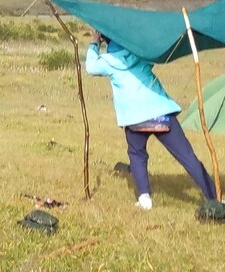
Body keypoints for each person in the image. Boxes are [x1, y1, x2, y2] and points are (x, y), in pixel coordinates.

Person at [84, 33, 216, 209]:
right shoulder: (139, 55)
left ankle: (144, 198)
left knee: (137, 155)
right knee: (187, 156)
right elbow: (156, 55)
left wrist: (94, 43)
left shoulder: (108, 62)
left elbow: (90, 67)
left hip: (135, 119)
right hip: (162, 113)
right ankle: (215, 197)